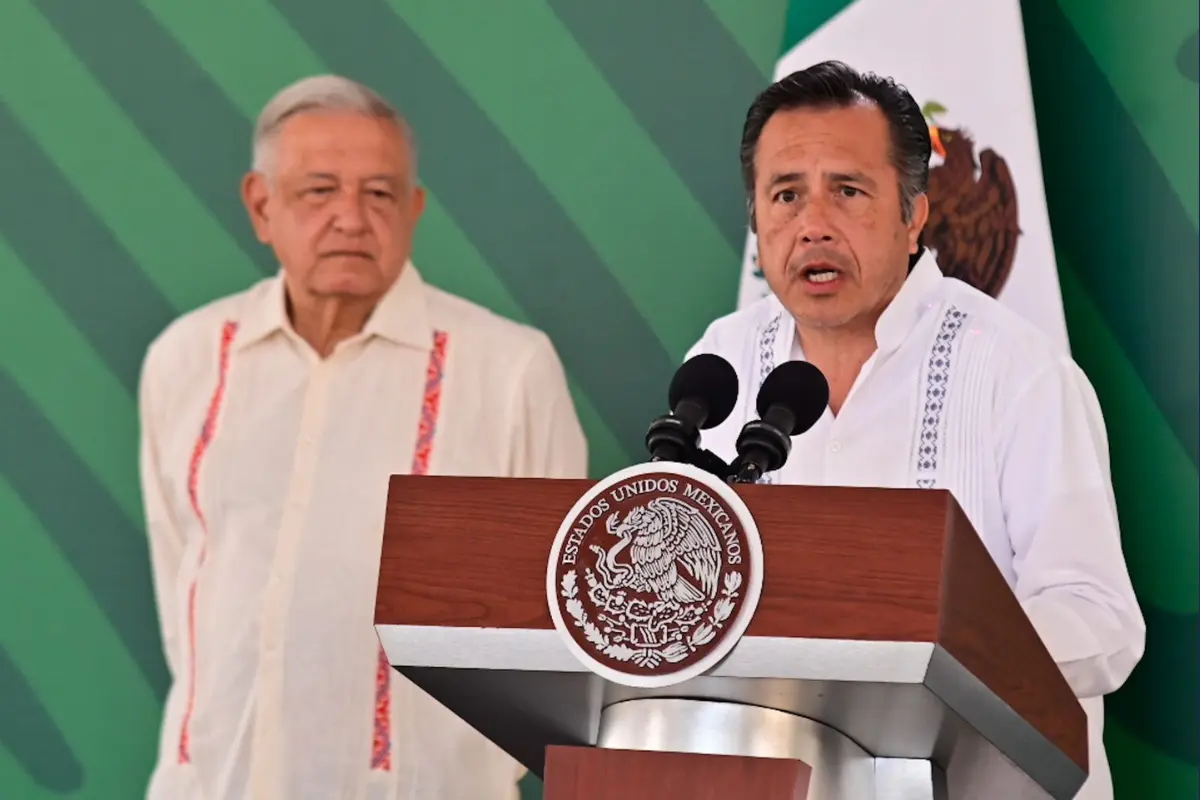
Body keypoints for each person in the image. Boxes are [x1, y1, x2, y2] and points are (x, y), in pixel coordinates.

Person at [686, 61, 1144, 799]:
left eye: (848, 191)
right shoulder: (720, 363)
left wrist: (922, 643)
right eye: (786, 195)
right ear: (755, 219)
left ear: (914, 216)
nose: (813, 224)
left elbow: (1101, 622)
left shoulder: (1016, 368)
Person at [137, 75, 588, 800]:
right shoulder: (186, 359)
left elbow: (554, 625)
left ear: (413, 210)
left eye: (378, 194)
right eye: (318, 191)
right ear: (261, 205)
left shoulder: (506, 368)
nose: (350, 218)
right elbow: (181, 588)